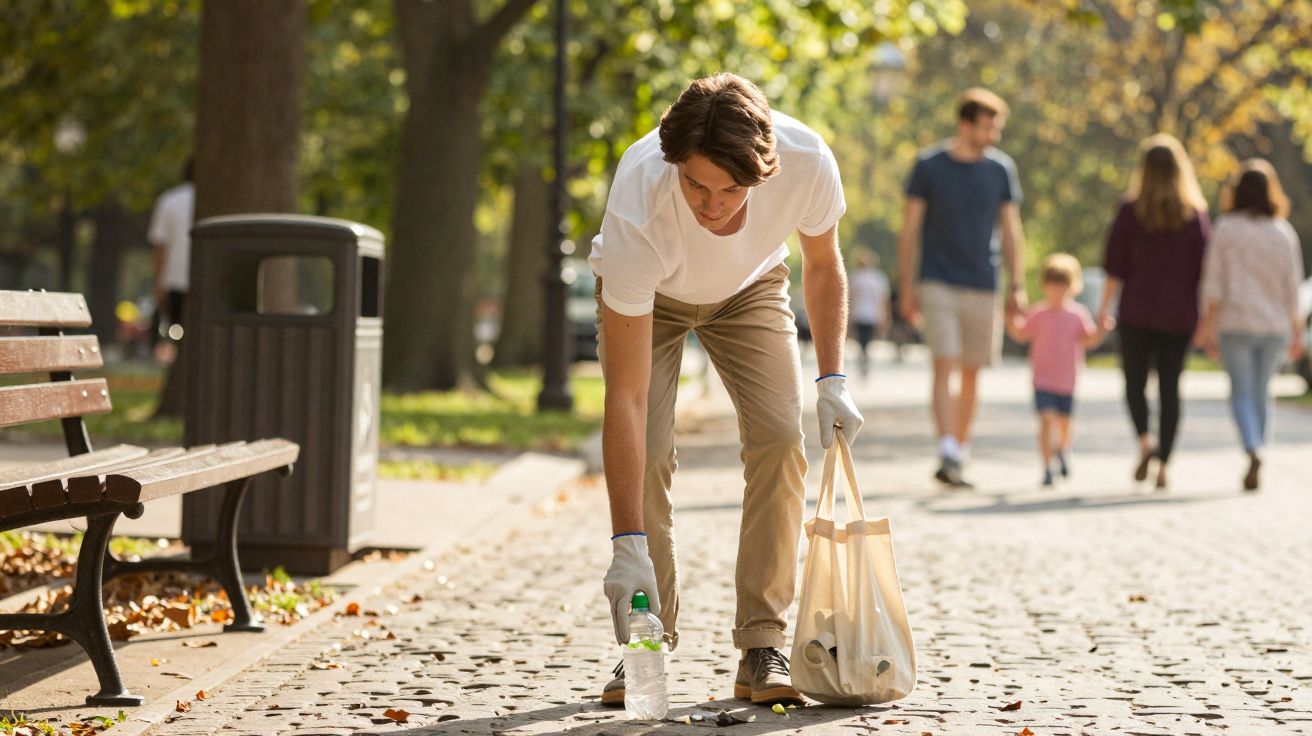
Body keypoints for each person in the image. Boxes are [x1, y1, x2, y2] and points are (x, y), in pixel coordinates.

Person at [590, 73, 862, 707]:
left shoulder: (806, 161)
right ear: (673, 164)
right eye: (695, 185)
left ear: (763, 174)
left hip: (749, 289)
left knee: (779, 440)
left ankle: (762, 643)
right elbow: (625, 401)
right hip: (649, 297)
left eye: (731, 190)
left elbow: (823, 265)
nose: (710, 206)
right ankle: (645, 642)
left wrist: (832, 378)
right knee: (651, 451)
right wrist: (625, 545)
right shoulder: (640, 199)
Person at [897, 88, 1027, 488]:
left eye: (997, 127)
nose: (994, 135)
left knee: (972, 371)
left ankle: (960, 450)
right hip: (937, 279)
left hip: (983, 282)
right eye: (988, 126)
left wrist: (1017, 287)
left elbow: (1010, 230)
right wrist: (906, 286)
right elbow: (910, 229)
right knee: (945, 362)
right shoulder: (928, 166)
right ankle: (946, 449)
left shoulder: (1000, 170)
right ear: (965, 124)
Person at [1097, 134, 1209, 490]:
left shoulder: (1130, 211)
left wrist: (1103, 309)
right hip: (1179, 314)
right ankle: (1164, 465)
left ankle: (1145, 440)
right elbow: (1203, 271)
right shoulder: (1194, 216)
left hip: (1137, 311)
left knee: (1134, 383)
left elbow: (1114, 266)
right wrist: (1206, 319)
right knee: (1171, 388)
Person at [1197, 159, 1305, 491]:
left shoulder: (1227, 228)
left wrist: (1207, 326)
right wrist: (1297, 331)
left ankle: (1252, 446)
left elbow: (1213, 283)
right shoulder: (1282, 232)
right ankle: (1259, 447)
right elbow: (1293, 286)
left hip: (1236, 322)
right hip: (1274, 326)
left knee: (1241, 392)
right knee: (1262, 391)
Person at [1007, 254, 1112, 487]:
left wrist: (1102, 330)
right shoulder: (1038, 313)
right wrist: (1009, 319)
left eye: (1063, 285)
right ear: (1045, 286)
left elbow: (1089, 340)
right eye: (1053, 285)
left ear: (1072, 287)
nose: (1057, 291)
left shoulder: (1077, 315)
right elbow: (1021, 334)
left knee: (1064, 422)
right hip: (1042, 379)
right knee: (1045, 420)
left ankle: (1063, 450)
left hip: (1067, 380)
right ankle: (1046, 468)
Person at [148, 157, 195, 352]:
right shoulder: (218, 201)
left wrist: (158, 283)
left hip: (175, 280)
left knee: (177, 335)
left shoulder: (169, 201)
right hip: (204, 283)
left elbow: (160, 246)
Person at [848, 247, 891, 378]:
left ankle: (863, 355)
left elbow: (850, 298)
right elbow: (882, 299)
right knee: (866, 339)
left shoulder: (855, 277)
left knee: (862, 338)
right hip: (872, 314)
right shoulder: (878, 278)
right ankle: (864, 356)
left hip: (859, 314)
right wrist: (885, 315)